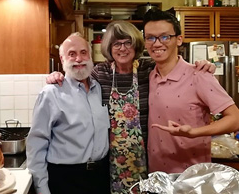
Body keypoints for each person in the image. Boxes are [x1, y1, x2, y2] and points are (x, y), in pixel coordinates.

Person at [46, 21, 215, 194]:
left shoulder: (148, 70)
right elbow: (76, 80)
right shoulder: (100, 72)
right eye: (117, 43)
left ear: (136, 45)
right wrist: (57, 75)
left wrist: (203, 65)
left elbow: (175, 67)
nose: (123, 48)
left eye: (128, 42)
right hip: (110, 162)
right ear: (109, 47)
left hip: (147, 159)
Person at [143, 9, 239, 174]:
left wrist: (195, 132)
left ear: (179, 39)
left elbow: (235, 118)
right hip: (157, 175)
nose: (157, 43)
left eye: (165, 37)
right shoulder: (150, 76)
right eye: (150, 37)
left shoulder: (199, 75)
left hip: (192, 178)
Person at [26, 32, 110, 194]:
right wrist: (42, 188)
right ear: (62, 59)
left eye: (83, 52)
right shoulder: (51, 93)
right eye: (72, 54)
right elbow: (36, 145)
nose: (79, 59)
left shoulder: (98, 88)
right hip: (65, 179)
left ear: (90, 56)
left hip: (100, 177)